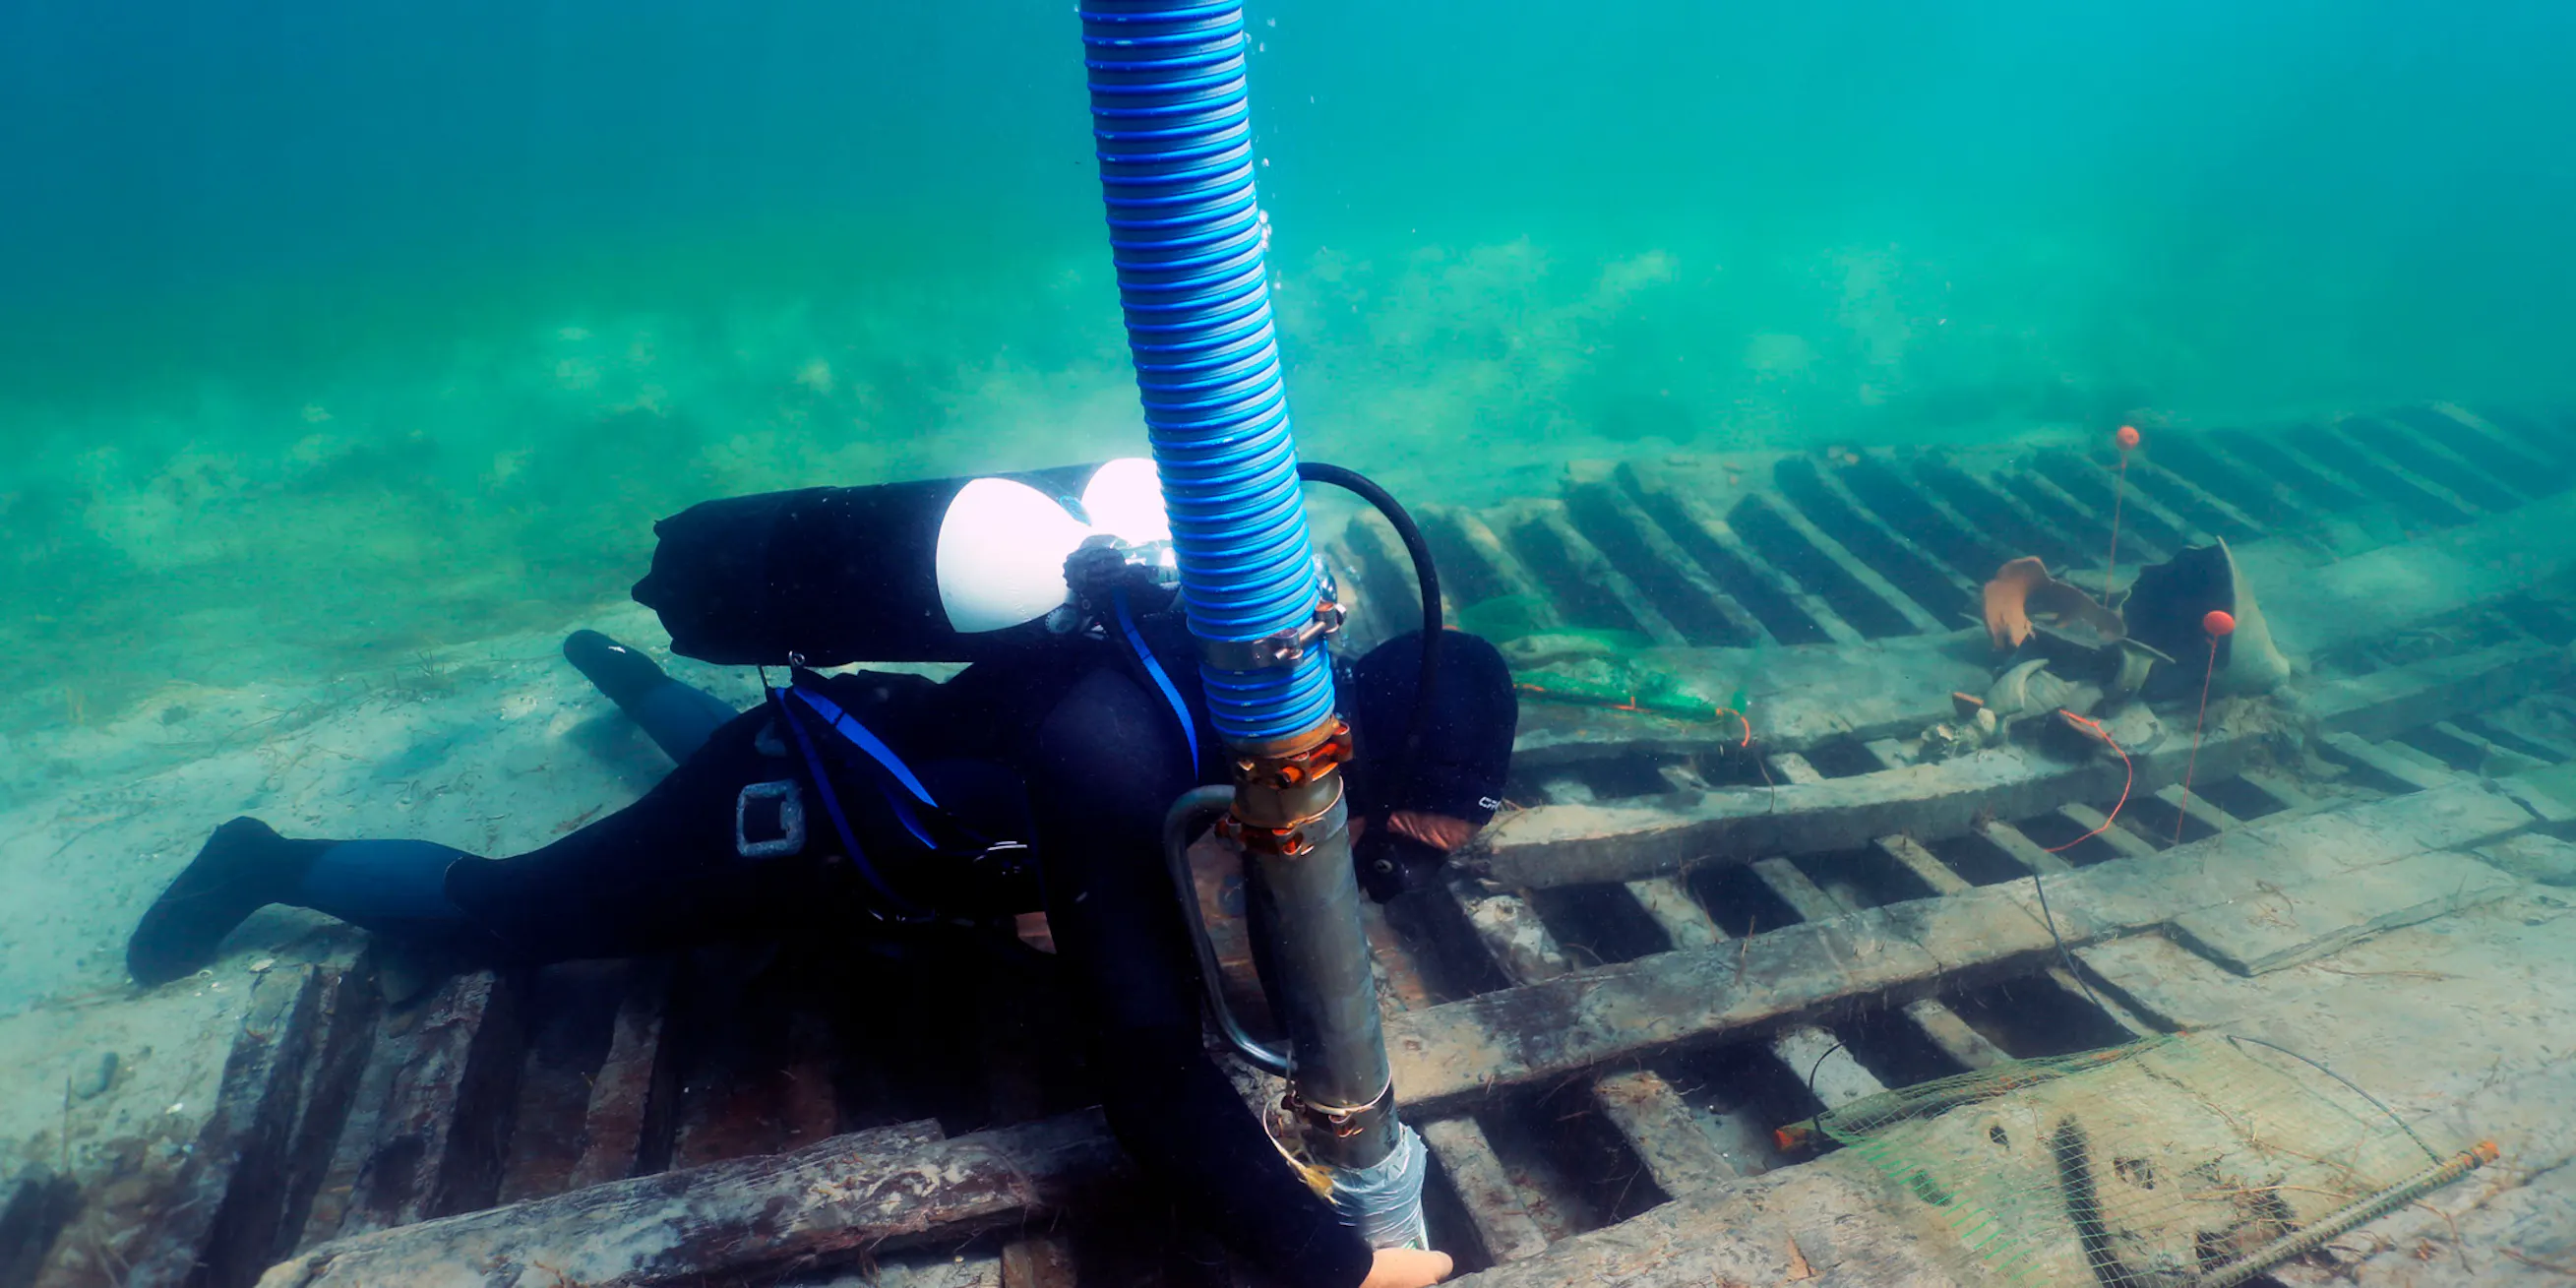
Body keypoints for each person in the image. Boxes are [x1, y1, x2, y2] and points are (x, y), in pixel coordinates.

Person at [126, 471, 1514, 1288]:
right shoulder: (1123, 751)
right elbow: (1146, 1077)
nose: (1399, 871)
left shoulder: (1246, 703)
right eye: (1409, 837)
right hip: (786, 828)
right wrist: (1341, 1269)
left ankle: (625, 682)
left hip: (850, 763)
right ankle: (272, 859)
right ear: (1355, 762)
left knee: (748, 754)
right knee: (519, 912)